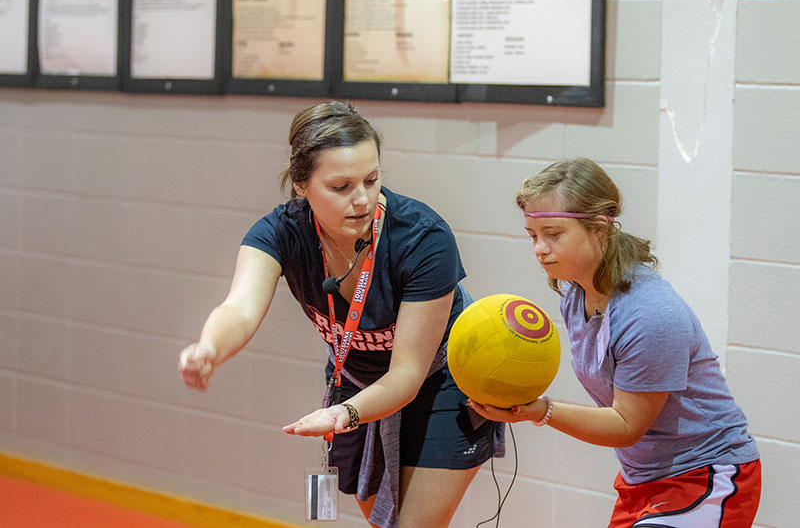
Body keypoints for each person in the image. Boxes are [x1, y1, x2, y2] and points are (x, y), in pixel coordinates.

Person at [178, 101, 502, 528]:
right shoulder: (280, 233)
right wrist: (209, 347)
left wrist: (343, 415)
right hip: (354, 382)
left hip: (440, 383)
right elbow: (239, 307)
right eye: (341, 186)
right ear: (301, 185)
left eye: (372, 179)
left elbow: (406, 374)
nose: (363, 199)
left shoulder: (424, 237)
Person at [469, 158, 761, 527]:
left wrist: (540, 410)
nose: (539, 248)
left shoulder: (650, 313)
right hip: (642, 479)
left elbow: (627, 424)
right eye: (533, 235)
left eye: (553, 234)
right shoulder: (575, 295)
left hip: (708, 474)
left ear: (600, 227)